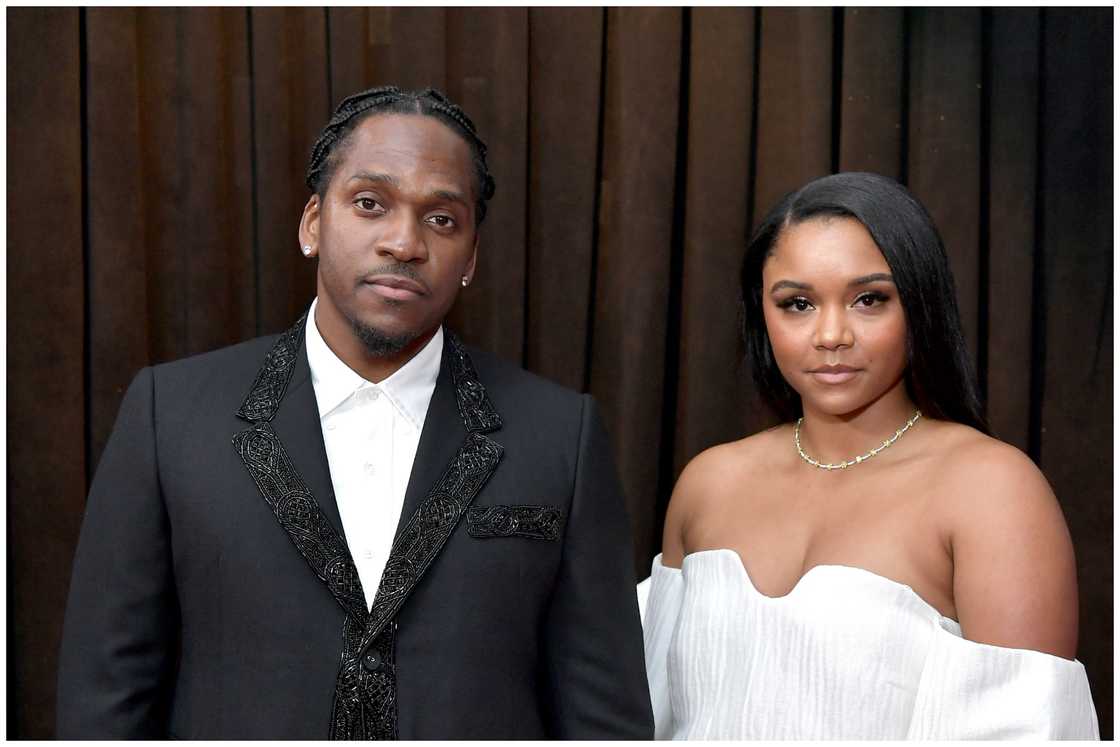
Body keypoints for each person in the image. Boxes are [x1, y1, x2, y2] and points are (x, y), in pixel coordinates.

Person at [57, 86, 653, 739]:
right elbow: (104, 699)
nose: (404, 241)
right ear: (314, 222)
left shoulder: (559, 438)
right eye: (370, 204)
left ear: (471, 259)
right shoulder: (168, 416)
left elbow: (604, 721)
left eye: (442, 219)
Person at [640, 172, 1099, 739]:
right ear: (762, 313)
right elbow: (647, 717)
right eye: (798, 303)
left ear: (920, 304)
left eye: (869, 299)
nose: (831, 334)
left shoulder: (990, 489)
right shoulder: (709, 481)